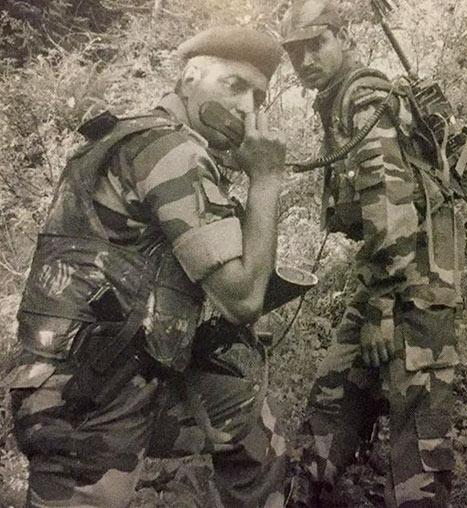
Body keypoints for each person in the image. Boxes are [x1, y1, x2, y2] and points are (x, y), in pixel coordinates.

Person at [5, 27, 288, 507]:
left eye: (258, 96)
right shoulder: (174, 151)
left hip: (107, 379)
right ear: (190, 77)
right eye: (235, 85)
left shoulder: (134, 135)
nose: (246, 107)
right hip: (88, 402)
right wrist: (266, 178)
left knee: (247, 419)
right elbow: (243, 298)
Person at [280, 1, 466, 506]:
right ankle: (308, 492)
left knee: (418, 433)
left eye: (316, 45)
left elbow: (390, 205)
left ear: (345, 39)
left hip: (417, 279)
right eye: (296, 53)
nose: (306, 61)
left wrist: (382, 307)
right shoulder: (340, 100)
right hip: (386, 270)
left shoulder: (364, 99)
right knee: (333, 396)